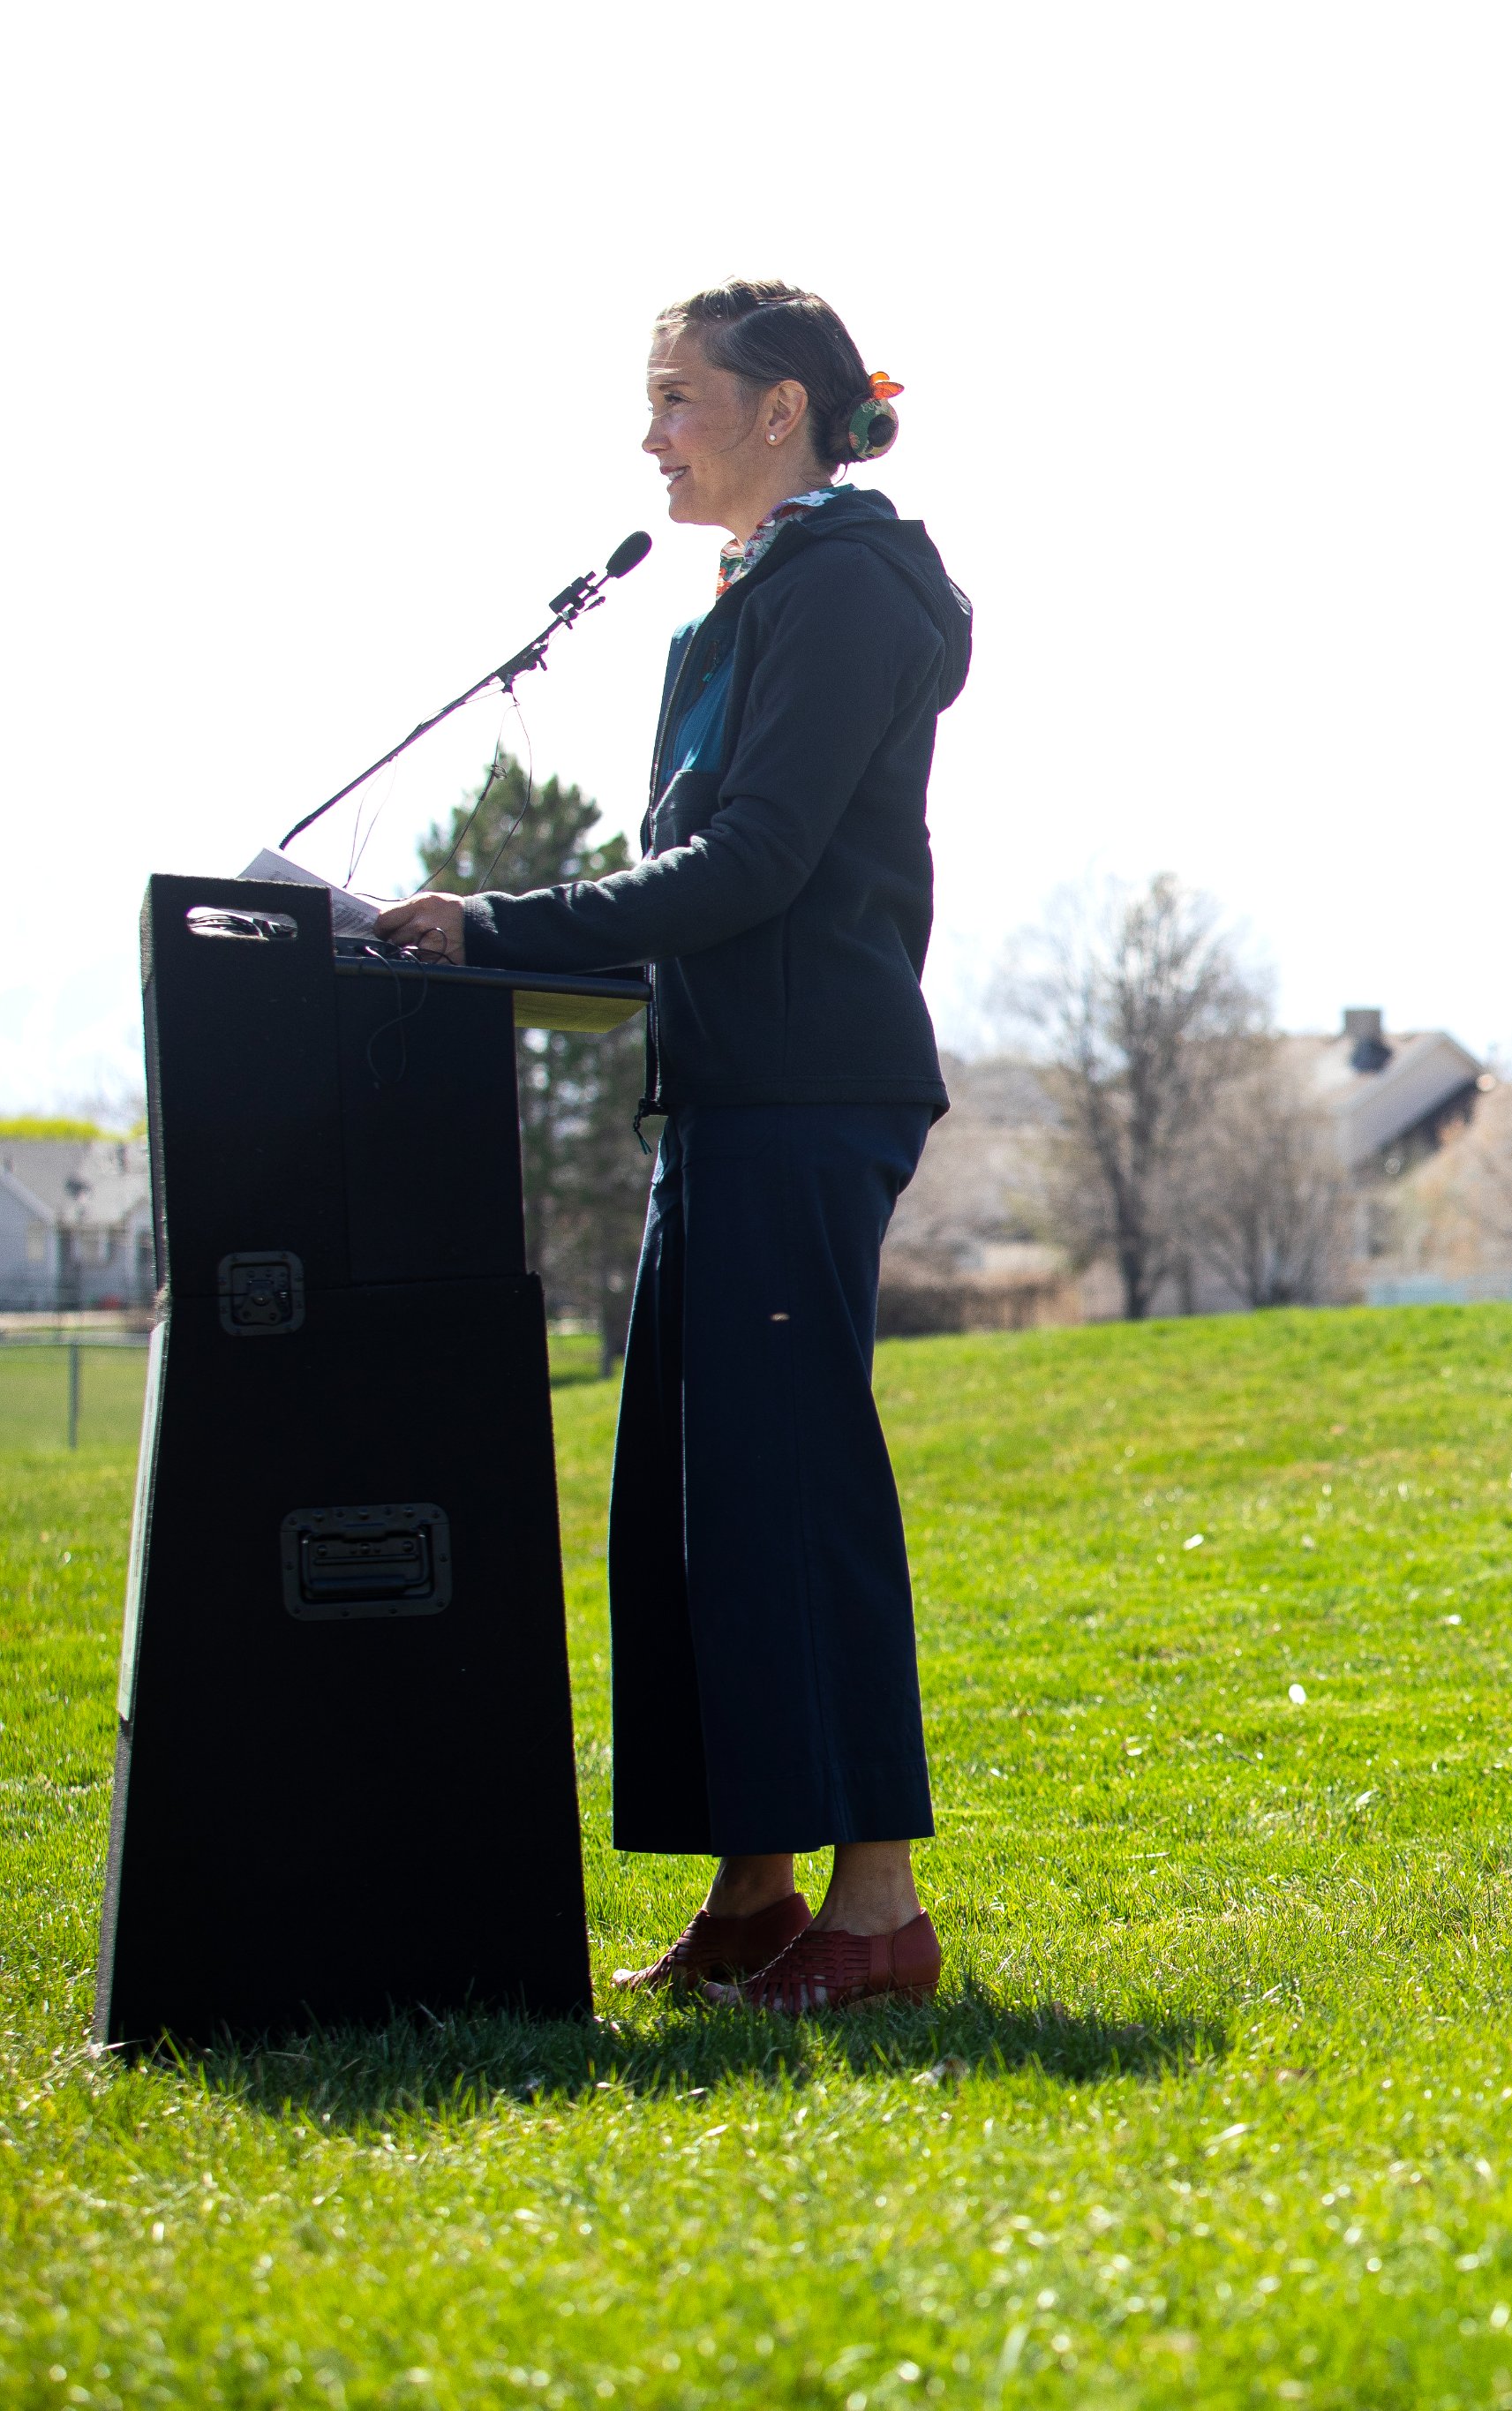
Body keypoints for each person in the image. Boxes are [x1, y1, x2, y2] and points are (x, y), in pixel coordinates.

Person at [374, 279, 971, 2015]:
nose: (652, 437)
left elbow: (757, 866)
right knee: (696, 1513)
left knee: (794, 1499)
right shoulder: (740, 598)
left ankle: (876, 1910)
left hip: (805, 1091)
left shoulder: (847, 584)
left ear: (779, 406)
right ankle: (759, 1888)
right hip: (717, 1093)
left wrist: (494, 926)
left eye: (677, 398)